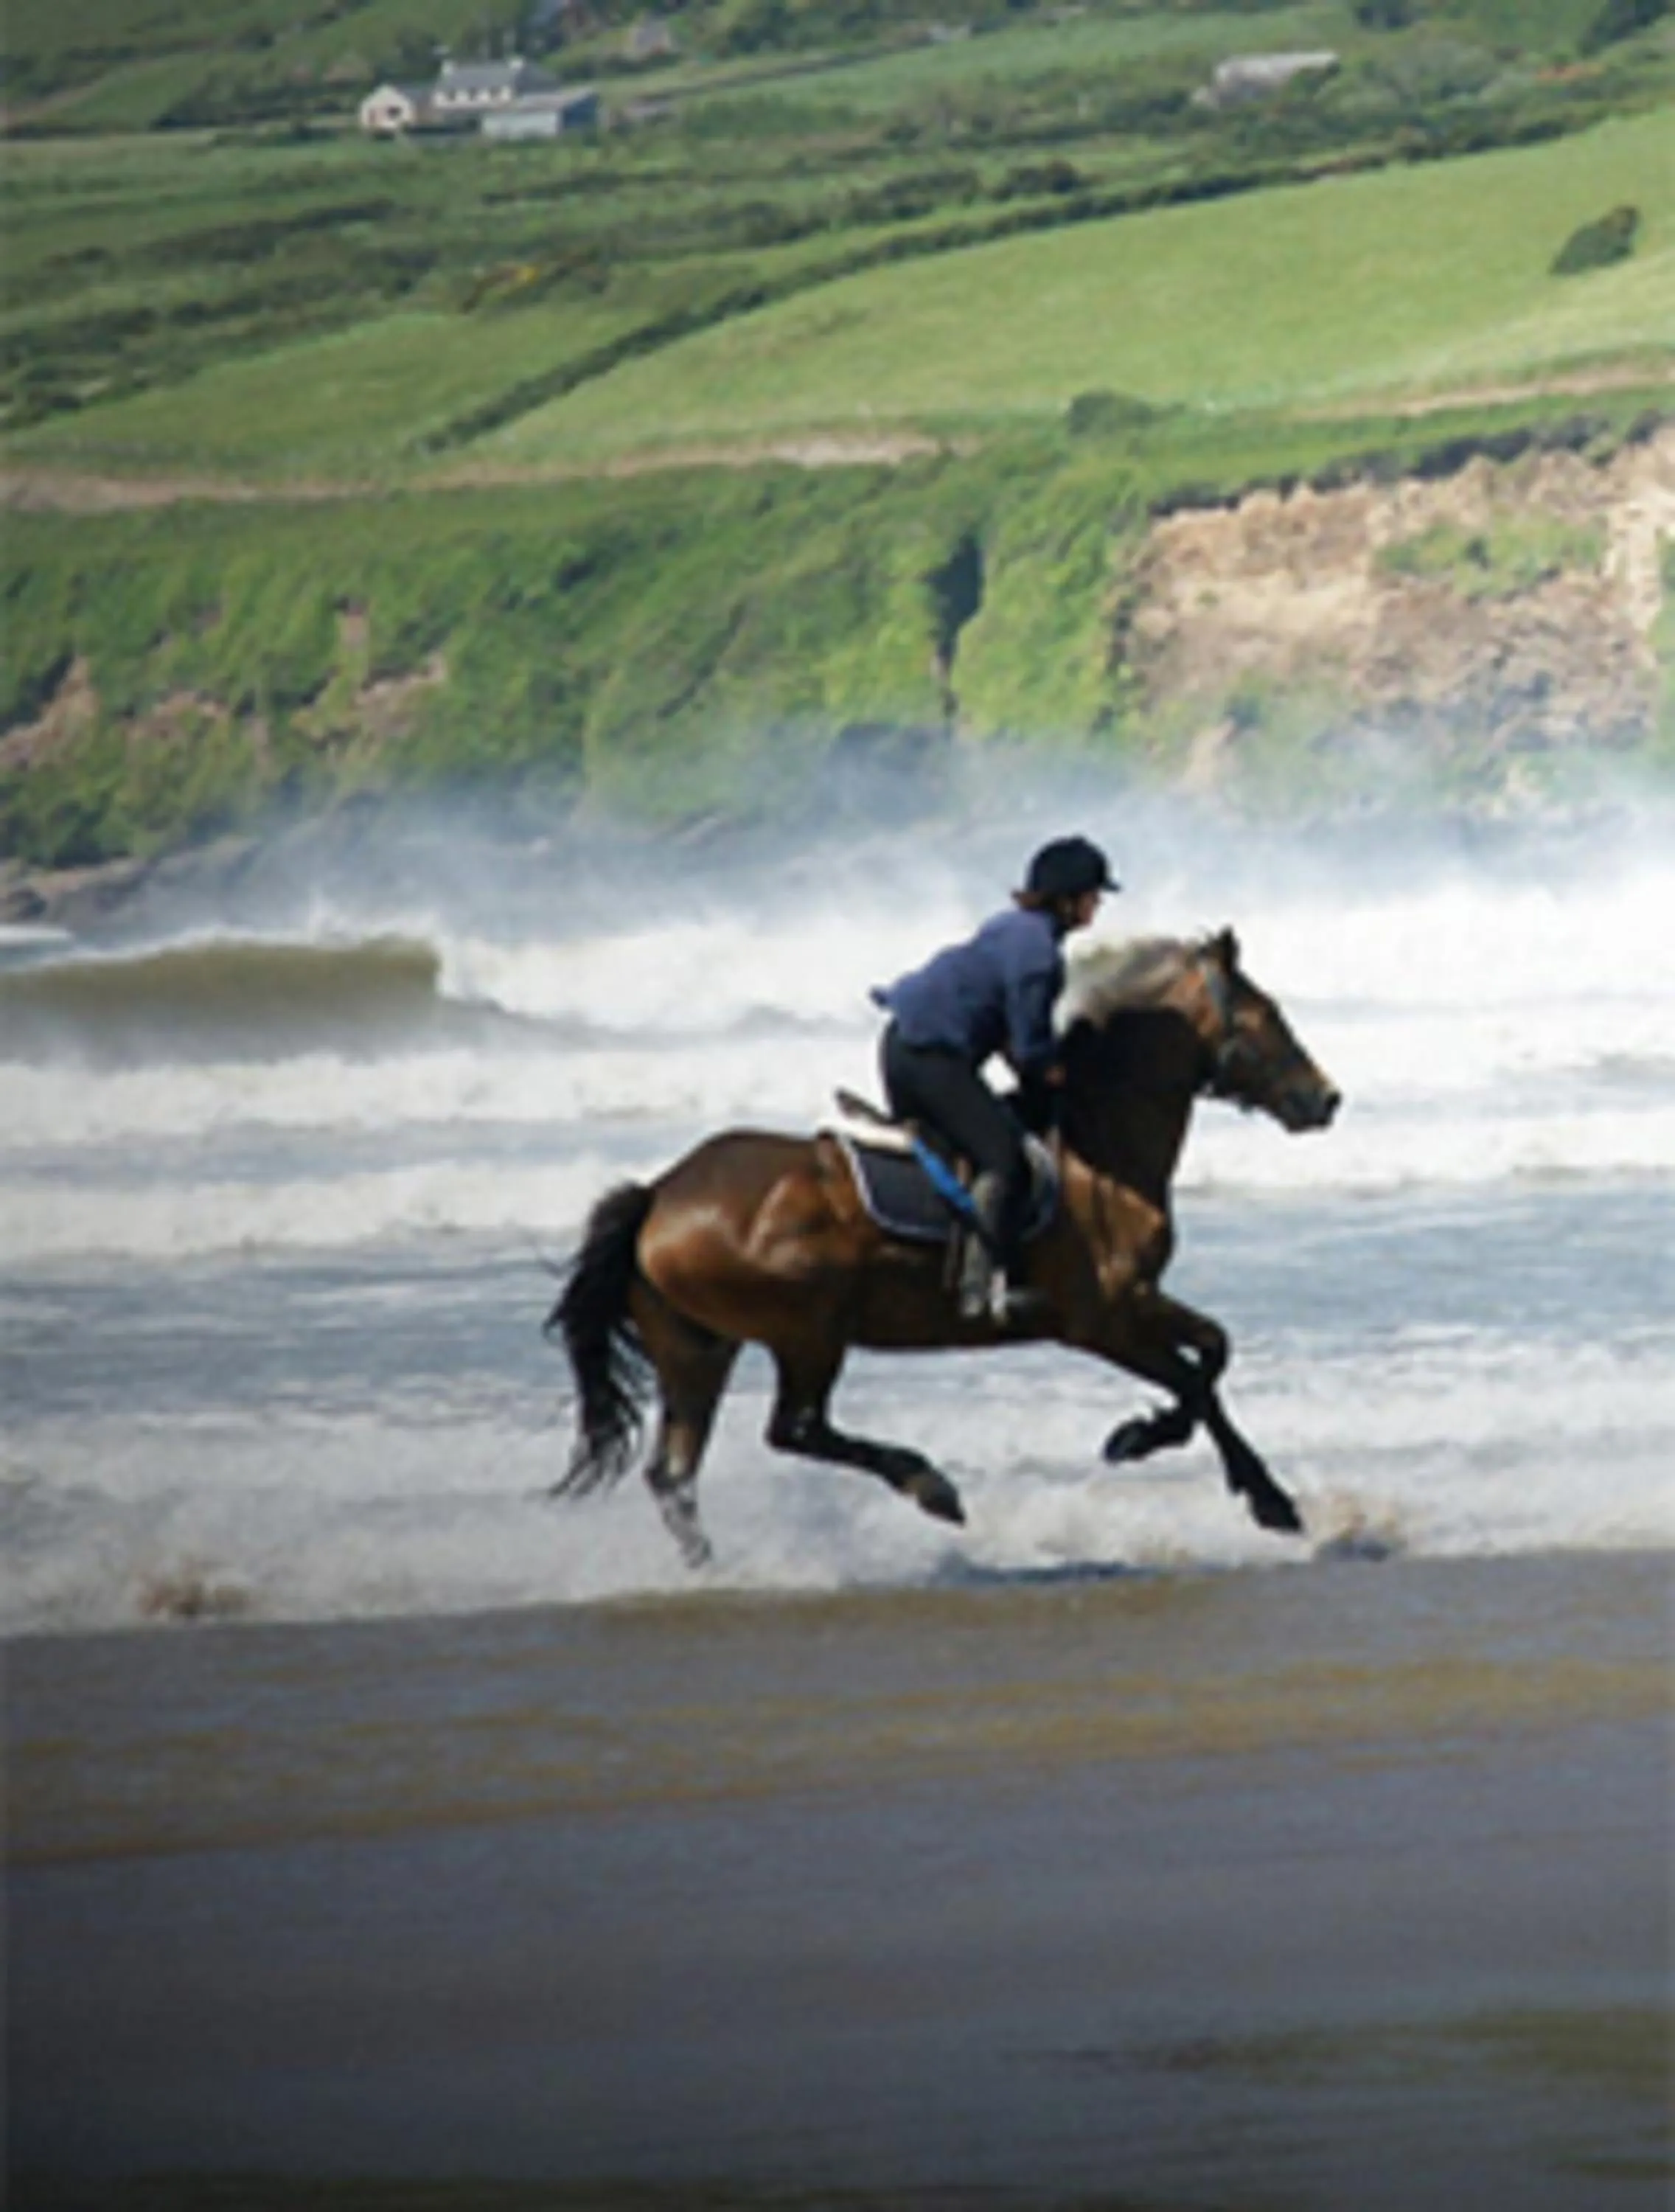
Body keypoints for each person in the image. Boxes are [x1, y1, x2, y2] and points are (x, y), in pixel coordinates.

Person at [871, 834, 1118, 1324]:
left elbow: (1007, 1033)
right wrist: (1057, 1072)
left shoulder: (1011, 927)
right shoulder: (1041, 956)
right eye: (1093, 896)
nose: (1097, 905)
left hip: (900, 1045)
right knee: (1004, 1161)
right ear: (1068, 899)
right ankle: (982, 1289)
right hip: (931, 1058)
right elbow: (1028, 1051)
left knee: (977, 1134)